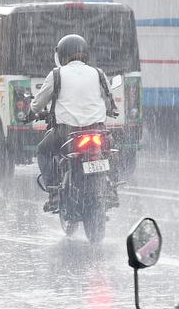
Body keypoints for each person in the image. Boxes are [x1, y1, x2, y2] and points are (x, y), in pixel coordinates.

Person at [30, 34, 118, 212]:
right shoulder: (98, 73)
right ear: (85, 53)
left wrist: (31, 112)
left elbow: (38, 103)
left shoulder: (56, 75)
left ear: (61, 55)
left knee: (43, 151)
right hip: (97, 130)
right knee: (111, 149)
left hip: (67, 132)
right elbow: (110, 102)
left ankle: (54, 192)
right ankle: (111, 186)